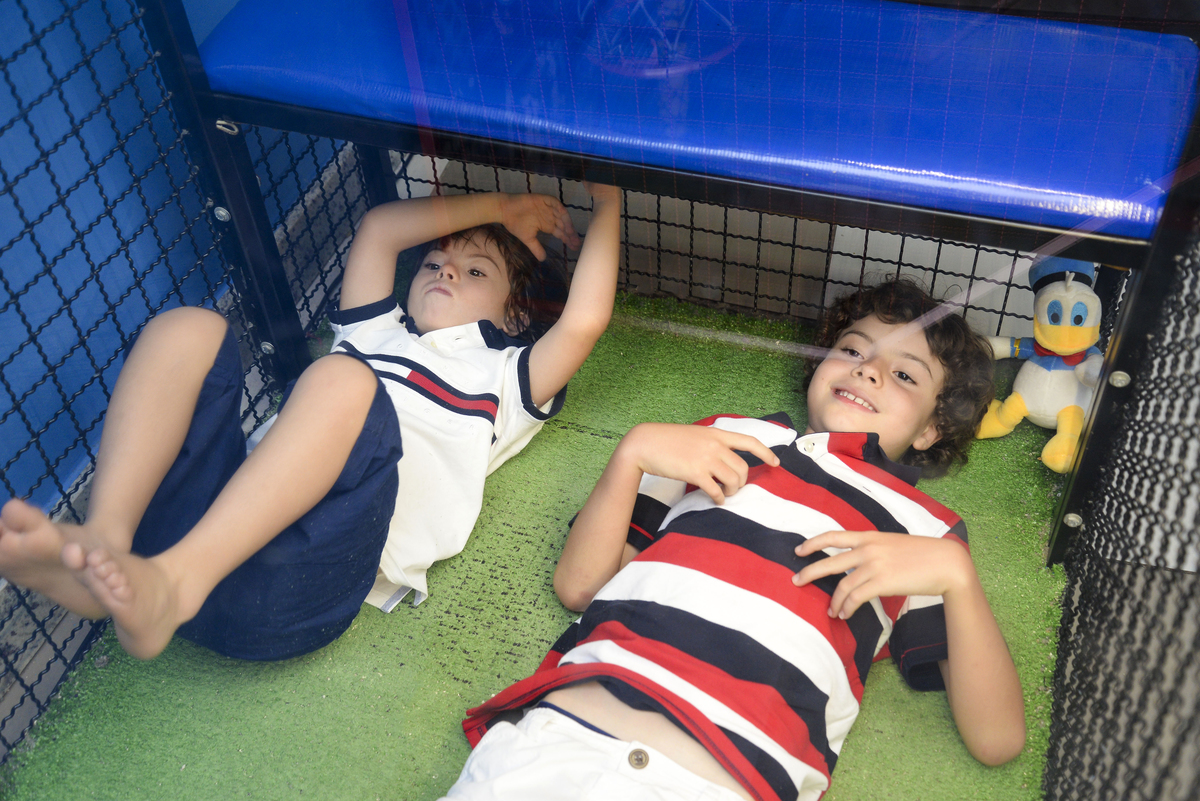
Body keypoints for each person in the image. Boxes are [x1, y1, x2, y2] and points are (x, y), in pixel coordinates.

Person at [442, 279, 1026, 801]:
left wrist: (958, 576)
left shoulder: (924, 530)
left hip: (727, 781)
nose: (868, 369)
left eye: (904, 375)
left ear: (931, 429)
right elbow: (579, 586)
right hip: (556, 742)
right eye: (853, 349)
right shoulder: (724, 436)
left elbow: (997, 739)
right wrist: (631, 453)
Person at [0, 183, 622, 662]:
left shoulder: (506, 377)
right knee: (186, 328)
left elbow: (585, 319)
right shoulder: (374, 333)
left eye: (476, 271)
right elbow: (381, 230)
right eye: (434, 263)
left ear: (516, 318)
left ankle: (174, 584)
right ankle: (106, 543)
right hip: (201, 530)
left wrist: (611, 201)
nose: (446, 271)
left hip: (295, 588)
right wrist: (502, 206)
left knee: (341, 378)